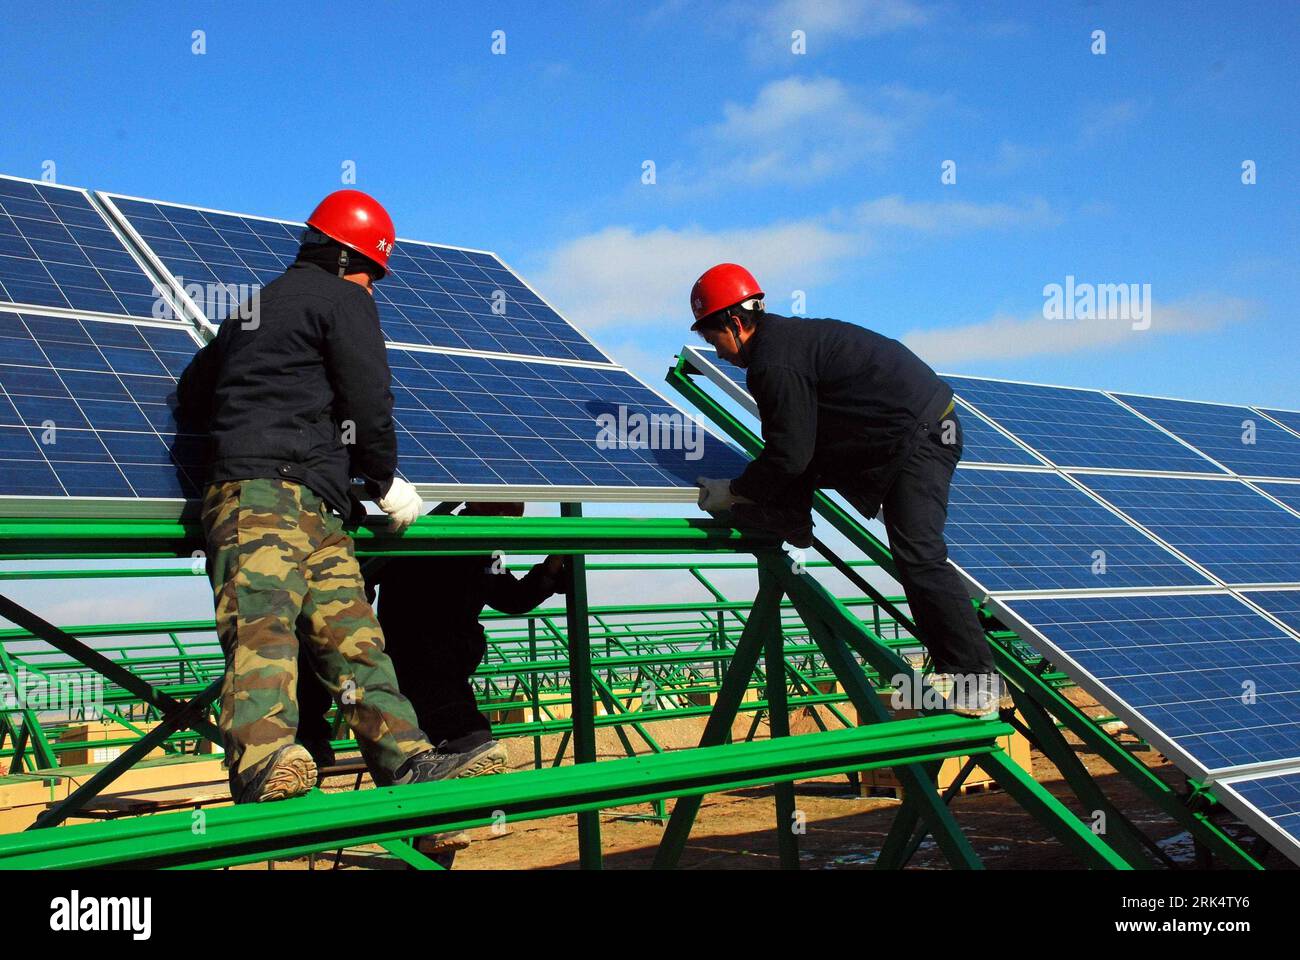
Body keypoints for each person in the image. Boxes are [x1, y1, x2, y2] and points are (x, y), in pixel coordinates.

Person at [175, 189, 460, 802]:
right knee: (294, 632)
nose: (373, 287)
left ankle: (409, 757)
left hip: (282, 496)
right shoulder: (343, 299)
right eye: (371, 273)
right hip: (280, 498)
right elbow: (367, 395)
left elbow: (194, 389)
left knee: (343, 635)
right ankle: (266, 762)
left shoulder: (251, 310)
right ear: (347, 259)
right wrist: (384, 479)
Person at [688, 263, 1005, 717]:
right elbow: (798, 445)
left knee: (919, 555)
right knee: (804, 452)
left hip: (919, 434)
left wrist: (735, 490)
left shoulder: (773, 361)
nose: (715, 352)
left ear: (735, 324)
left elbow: (791, 457)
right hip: (897, 432)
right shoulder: (784, 346)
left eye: (712, 337)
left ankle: (978, 683)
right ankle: (789, 518)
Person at [296, 500, 567, 859]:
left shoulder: (483, 551)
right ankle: (429, 834)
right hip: (413, 672)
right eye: (507, 509)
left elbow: (511, 598)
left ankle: (435, 833)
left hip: (446, 673)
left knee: (457, 759)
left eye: (516, 513)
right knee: (465, 746)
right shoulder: (420, 532)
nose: (514, 518)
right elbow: (356, 582)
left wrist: (547, 573)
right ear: (477, 501)